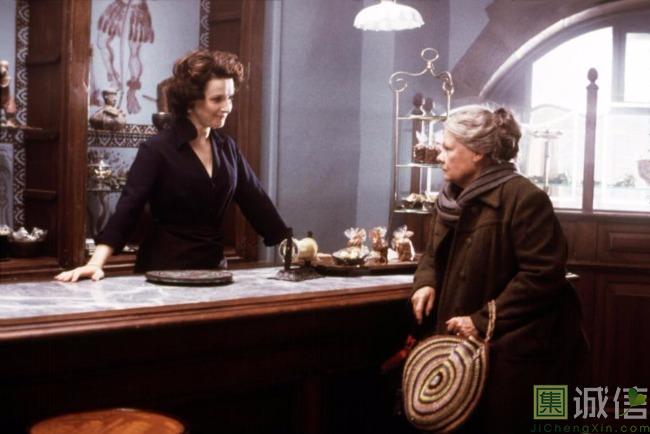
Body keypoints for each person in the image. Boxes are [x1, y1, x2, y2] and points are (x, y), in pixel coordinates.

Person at [410, 105, 587, 433]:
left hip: (512, 351)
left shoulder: (524, 198)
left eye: (448, 149)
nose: (439, 157)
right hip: (460, 346)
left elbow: (542, 275)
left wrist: (481, 320)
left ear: (477, 153)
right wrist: (425, 281)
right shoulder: (450, 198)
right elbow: (432, 254)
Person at [56, 49, 290, 282]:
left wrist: (293, 249)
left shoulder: (227, 148)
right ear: (190, 103)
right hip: (163, 272)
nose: (227, 106)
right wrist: (95, 264)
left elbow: (257, 202)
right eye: (217, 99)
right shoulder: (156, 149)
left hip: (214, 271)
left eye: (230, 97)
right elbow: (128, 208)